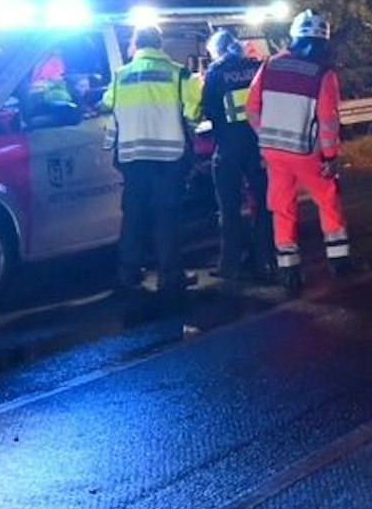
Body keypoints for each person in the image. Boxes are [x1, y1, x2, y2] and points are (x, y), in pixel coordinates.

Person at [248, 10, 351, 291]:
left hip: (273, 151)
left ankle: (289, 269)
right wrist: (330, 157)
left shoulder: (270, 65)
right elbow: (328, 121)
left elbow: (252, 108)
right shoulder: (323, 73)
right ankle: (339, 261)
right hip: (306, 152)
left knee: (282, 207)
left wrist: (265, 136)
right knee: (328, 200)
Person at [105, 25, 203, 305]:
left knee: (133, 216)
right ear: (160, 44)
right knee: (166, 217)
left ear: (136, 44)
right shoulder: (179, 74)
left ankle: (128, 274)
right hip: (168, 157)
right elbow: (193, 110)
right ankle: (170, 276)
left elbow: (108, 103)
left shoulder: (121, 75)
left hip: (132, 157)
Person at [201, 27, 274, 285]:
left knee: (229, 208)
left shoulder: (215, 73)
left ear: (218, 51)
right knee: (263, 204)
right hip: (258, 145)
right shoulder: (257, 68)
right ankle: (265, 259)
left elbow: (209, 110)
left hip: (228, 148)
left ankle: (230, 264)